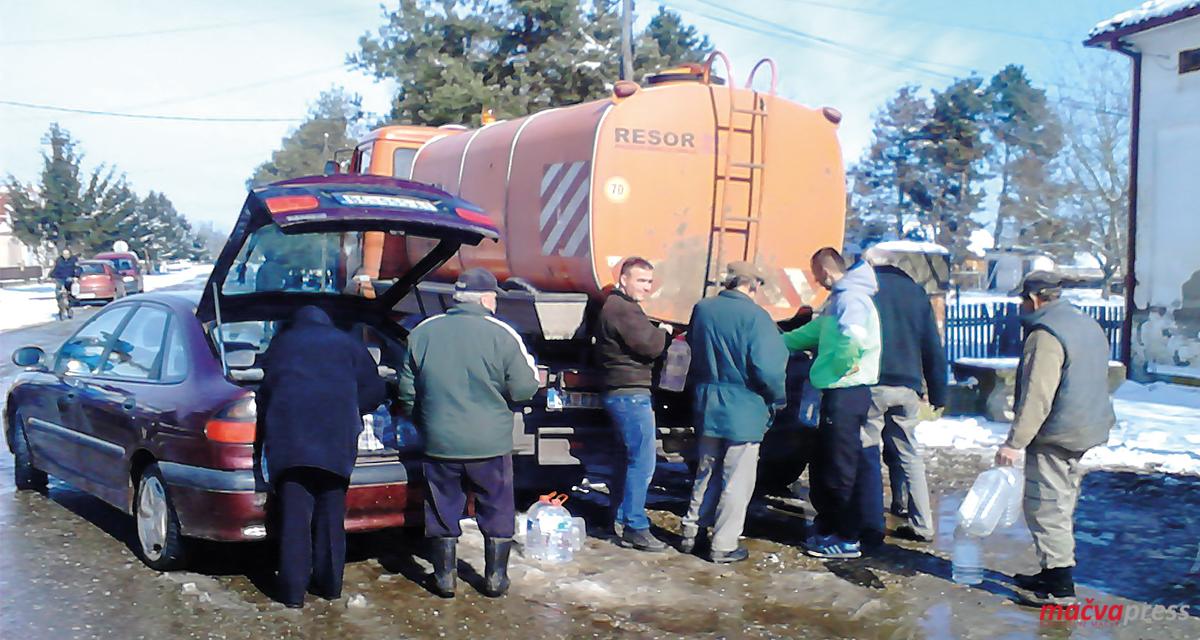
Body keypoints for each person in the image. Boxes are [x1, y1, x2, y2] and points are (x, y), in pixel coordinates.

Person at [397, 268, 539, 598]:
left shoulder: (423, 332)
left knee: (442, 508)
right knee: (497, 507)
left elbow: (406, 391)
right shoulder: (502, 334)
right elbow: (524, 389)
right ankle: (494, 579)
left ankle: (445, 579)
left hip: (440, 443)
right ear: (487, 298)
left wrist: (427, 422)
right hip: (490, 444)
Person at [995, 271, 1115, 603]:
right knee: (1061, 501)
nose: (1021, 307)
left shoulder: (1045, 335)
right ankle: (1051, 573)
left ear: (1033, 299)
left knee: (1046, 506)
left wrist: (1014, 443)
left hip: (1057, 433)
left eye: (1022, 300)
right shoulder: (1084, 323)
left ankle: (1060, 588)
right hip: (1086, 426)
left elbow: (1037, 395)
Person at [257, 305, 386, 608]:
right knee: (331, 514)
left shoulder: (281, 345)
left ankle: (292, 593)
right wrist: (351, 408)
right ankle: (330, 586)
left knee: (295, 518)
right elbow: (375, 389)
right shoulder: (348, 344)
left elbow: (266, 391)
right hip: (335, 439)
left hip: (290, 440)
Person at [681, 261, 787, 563]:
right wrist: (777, 399)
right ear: (753, 286)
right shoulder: (757, 318)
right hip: (745, 406)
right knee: (736, 479)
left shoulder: (703, 309)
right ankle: (723, 544)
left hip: (707, 401)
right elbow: (768, 369)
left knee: (707, 470)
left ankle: (692, 532)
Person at [781, 248, 881, 559]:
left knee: (841, 466)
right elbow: (813, 333)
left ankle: (847, 537)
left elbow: (852, 338)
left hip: (845, 391)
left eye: (815, 273)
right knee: (827, 463)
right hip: (837, 390)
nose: (815, 280)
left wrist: (840, 367)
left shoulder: (851, 298)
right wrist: (773, 340)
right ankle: (830, 527)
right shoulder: (839, 299)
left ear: (825, 271)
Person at [865, 251, 948, 543]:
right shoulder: (916, 293)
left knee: (869, 451)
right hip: (908, 387)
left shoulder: (866, 288)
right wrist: (939, 390)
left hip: (872, 383)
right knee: (907, 451)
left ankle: (871, 521)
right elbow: (932, 345)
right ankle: (922, 523)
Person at [594, 257, 672, 552]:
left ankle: (615, 517)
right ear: (623, 279)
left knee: (626, 458)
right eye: (641, 281)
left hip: (623, 392)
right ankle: (635, 525)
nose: (646, 288)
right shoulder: (623, 309)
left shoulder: (619, 307)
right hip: (630, 394)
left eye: (649, 282)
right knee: (643, 460)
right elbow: (650, 345)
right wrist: (663, 331)